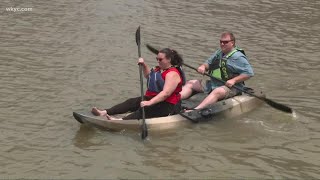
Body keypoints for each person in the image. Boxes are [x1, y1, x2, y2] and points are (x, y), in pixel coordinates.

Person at [91, 48, 185, 120]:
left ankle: (120, 120)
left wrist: (150, 102)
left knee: (145, 109)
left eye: (160, 59)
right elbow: (149, 76)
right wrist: (144, 65)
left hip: (169, 105)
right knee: (132, 102)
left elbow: (166, 94)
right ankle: (104, 112)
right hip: (155, 99)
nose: (158, 61)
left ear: (169, 59)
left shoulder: (172, 74)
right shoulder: (158, 69)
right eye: (157, 59)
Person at [180, 32, 254, 110]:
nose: (222, 44)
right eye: (221, 42)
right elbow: (208, 63)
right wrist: (203, 67)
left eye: (225, 42)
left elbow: (249, 73)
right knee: (191, 83)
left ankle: (195, 110)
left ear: (232, 43)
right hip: (214, 83)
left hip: (231, 88)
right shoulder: (219, 52)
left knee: (217, 91)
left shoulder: (238, 57)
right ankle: (174, 100)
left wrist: (234, 80)